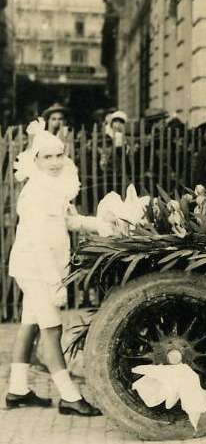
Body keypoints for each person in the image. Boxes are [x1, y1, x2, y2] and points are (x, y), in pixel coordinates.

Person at [5, 119, 108, 416]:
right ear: (35, 160)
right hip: (36, 269)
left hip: (38, 268)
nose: (53, 162)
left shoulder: (54, 186)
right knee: (52, 329)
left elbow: (69, 221)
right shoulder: (36, 192)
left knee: (31, 324)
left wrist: (99, 224)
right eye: (46, 157)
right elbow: (38, 243)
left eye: (58, 155)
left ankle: (17, 389)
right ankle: (70, 397)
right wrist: (55, 285)